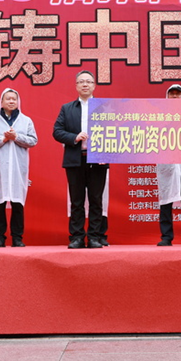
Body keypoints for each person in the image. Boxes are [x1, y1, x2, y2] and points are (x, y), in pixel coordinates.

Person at [53, 70, 109, 249]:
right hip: (75, 159)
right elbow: (57, 131)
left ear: (94, 85)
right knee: (76, 201)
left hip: (97, 160)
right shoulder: (67, 108)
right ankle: (76, 237)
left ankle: (94, 237)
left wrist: (106, 153)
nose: (85, 84)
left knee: (96, 200)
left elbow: (115, 132)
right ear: (76, 86)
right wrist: (74, 137)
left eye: (89, 81)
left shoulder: (105, 107)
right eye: (81, 82)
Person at [0, 88, 38, 248]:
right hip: (0, 167)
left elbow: (33, 140)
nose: (12, 101)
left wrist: (16, 137)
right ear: (1, 101)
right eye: (8, 99)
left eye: (14, 99)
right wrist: (3, 139)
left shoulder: (26, 120)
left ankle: (17, 238)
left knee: (17, 202)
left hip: (18, 167)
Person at [156, 84, 181, 246]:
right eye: (171, 94)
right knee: (166, 201)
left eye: (178, 94)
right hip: (167, 165)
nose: (175, 96)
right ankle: (166, 236)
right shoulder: (158, 116)